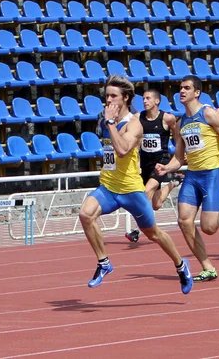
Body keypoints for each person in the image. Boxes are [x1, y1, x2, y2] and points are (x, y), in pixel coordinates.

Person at [79, 75, 193, 294]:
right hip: (109, 187)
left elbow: (122, 150)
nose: (108, 100)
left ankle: (180, 264)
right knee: (85, 214)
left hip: (131, 190)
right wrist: (107, 123)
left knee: (153, 234)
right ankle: (104, 262)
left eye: (114, 96)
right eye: (107, 95)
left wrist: (111, 123)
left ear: (126, 98)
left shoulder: (134, 124)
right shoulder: (104, 119)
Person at [155, 75, 219, 282]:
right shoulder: (181, 123)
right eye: (180, 88)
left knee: (209, 228)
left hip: (212, 173)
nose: (182, 91)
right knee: (184, 220)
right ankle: (208, 267)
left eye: (187, 88)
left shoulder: (208, 113)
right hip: (193, 175)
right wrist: (166, 167)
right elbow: (179, 158)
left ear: (197, 92)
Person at [125, 89, 182, 243]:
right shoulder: (138, 118)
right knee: (155, 204)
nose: (144, 101)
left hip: (161, 163)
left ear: (157, 101)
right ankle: (173, 183)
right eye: (143, 98)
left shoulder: (167, 118)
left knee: (145, 192)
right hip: (145, 163)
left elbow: (178, 136)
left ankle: (137, 230)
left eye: (148, 98)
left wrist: (179, 154)